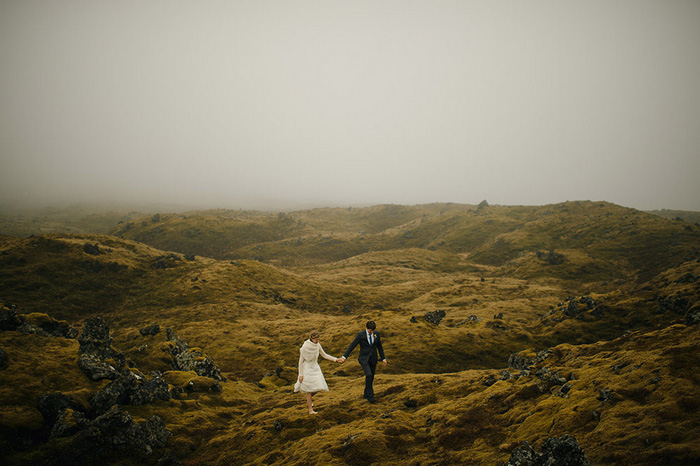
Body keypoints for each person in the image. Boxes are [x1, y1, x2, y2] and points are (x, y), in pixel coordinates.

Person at [294, 330, 342, 414]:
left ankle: (309, 400)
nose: (317, 341)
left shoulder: (318, 345)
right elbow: (300, 362)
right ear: (312, 339)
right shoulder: (305, 347)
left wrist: (335, 359)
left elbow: (324, 355)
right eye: (316, 340)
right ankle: (310, 410)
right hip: (307, 368)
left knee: (319, 386)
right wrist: (300, 375)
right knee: (309, 390)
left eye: (318, 339)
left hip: (315, 367)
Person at [338, 321, 387, 403]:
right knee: (369, 374)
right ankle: (371, 396)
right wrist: (344, 357)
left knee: (371, 377)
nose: (371, 332)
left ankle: (366, 394)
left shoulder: (376, 334)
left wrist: (383, 358)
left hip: (373, 359)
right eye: (370, 331)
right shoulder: (361, 335)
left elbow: (379, 347)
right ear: (367, 328)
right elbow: (352, 345)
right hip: (364, 359)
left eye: (372, 331)